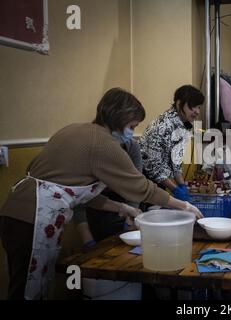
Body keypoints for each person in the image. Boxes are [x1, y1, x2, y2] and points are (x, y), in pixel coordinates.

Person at [0, 88, 203, 300]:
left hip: (17, 213)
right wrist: (183, 206)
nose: (131, 133)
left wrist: (121, 207)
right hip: (31, 218)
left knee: (32, 285)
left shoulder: (74, 130)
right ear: (120, 117)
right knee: (27, 291)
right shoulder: (104, 143)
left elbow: (77, 193)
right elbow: (142, 187)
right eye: (132, 126)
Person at [73, 137, 143, 247]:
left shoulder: (131, 147)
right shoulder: (86, 156)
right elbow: (82, 201)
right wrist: (87, 237)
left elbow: (137, 187)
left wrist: (130, 213)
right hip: (93, 211)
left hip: (120, 200)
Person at [140, 85, 203, 202]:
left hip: (161, 180)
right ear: (179, 104)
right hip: (145, 181)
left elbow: (176, 160)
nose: (197, 111)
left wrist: (182, 185)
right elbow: (154, 168)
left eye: (198, 107)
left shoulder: (183, 125)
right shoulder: (162, 126)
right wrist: (175, 189)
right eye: (193, 106)